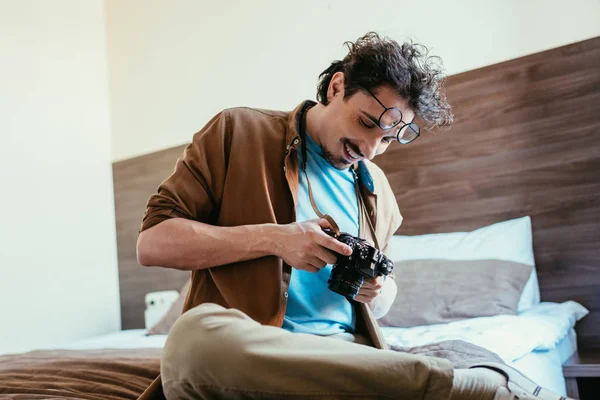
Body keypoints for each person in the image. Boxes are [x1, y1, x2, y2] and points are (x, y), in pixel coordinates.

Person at [136, 32, 570, 400]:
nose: (370, 150)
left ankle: (433, 382)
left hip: (346, 352)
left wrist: (375, 290)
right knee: (193, 339)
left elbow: (383, 300)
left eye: (386, 141)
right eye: (365, 123)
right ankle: (455, 388)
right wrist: (274, 239)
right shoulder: (238, 132)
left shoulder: (377, 189)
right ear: (336, 86)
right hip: (253, 352)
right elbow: (152, 244)